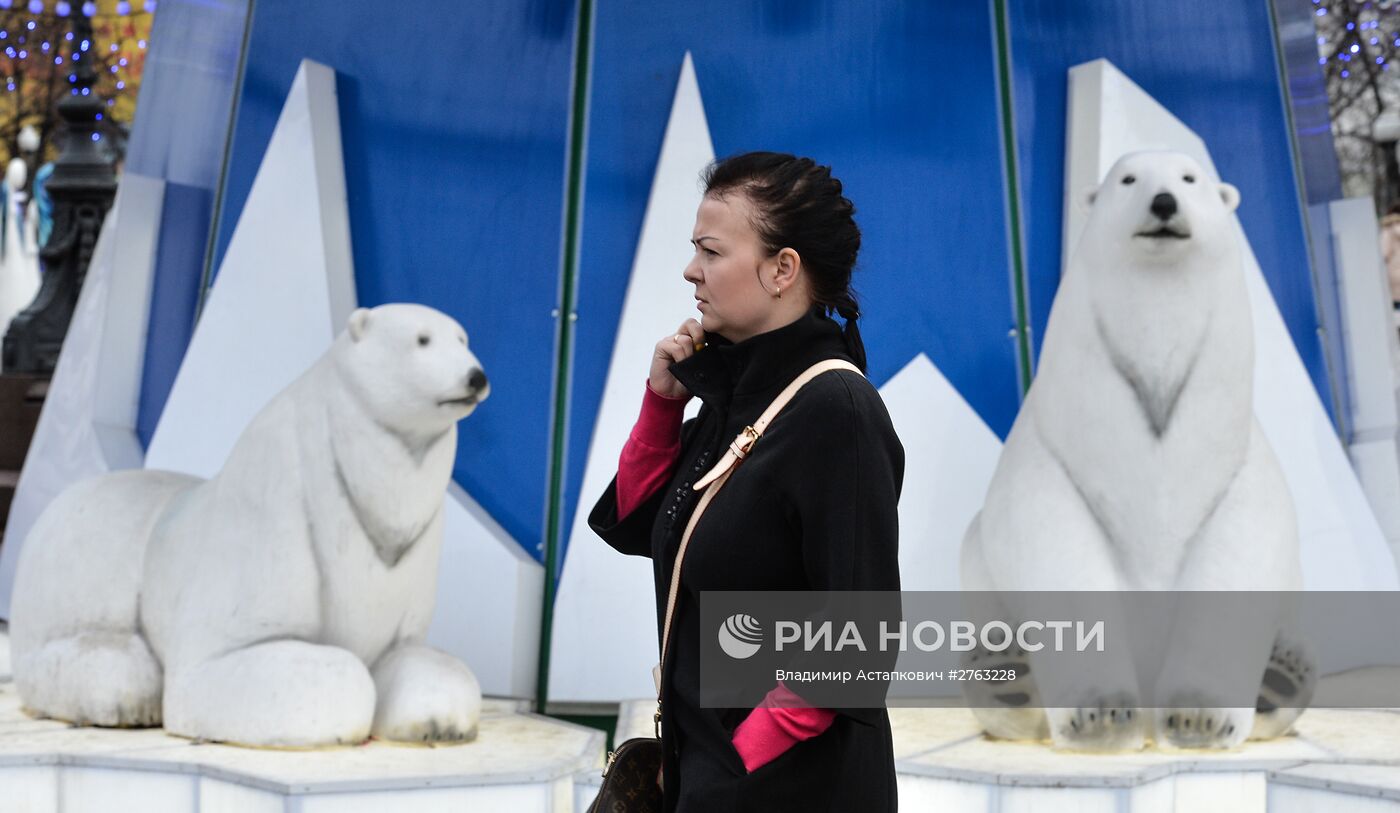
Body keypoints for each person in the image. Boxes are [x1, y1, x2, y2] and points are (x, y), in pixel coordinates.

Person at [589, 151, 903, 811]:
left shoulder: (836, 413)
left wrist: (736, 760)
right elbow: (648, 523)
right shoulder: (737, 396)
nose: (690, 270)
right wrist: (664, 404)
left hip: (786, 792)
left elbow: (859, 640)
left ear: (782, 269)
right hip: (714, 779)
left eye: (710, 250)